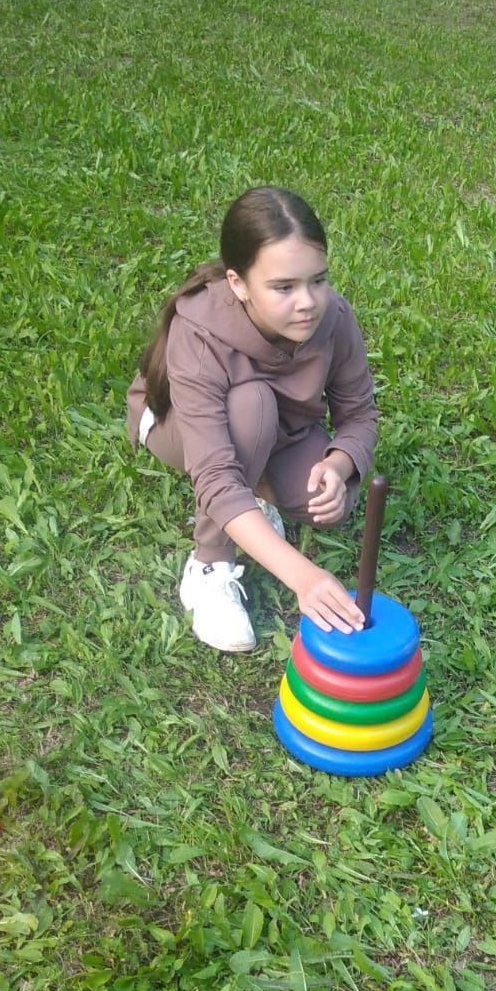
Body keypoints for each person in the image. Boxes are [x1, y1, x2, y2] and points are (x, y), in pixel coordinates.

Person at [126, 187, 378, 654]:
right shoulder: (199, 331)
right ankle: (208, 565)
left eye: (317, 280)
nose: (307, 302)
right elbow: (217, 476)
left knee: (324, 509)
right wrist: (303, 576)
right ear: (238, 283)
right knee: (253, 407)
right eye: (283, 287)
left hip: (278, 428)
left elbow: (359, 413)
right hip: (176, 426)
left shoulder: (334, 317)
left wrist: (340, 465)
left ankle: (256, 495)